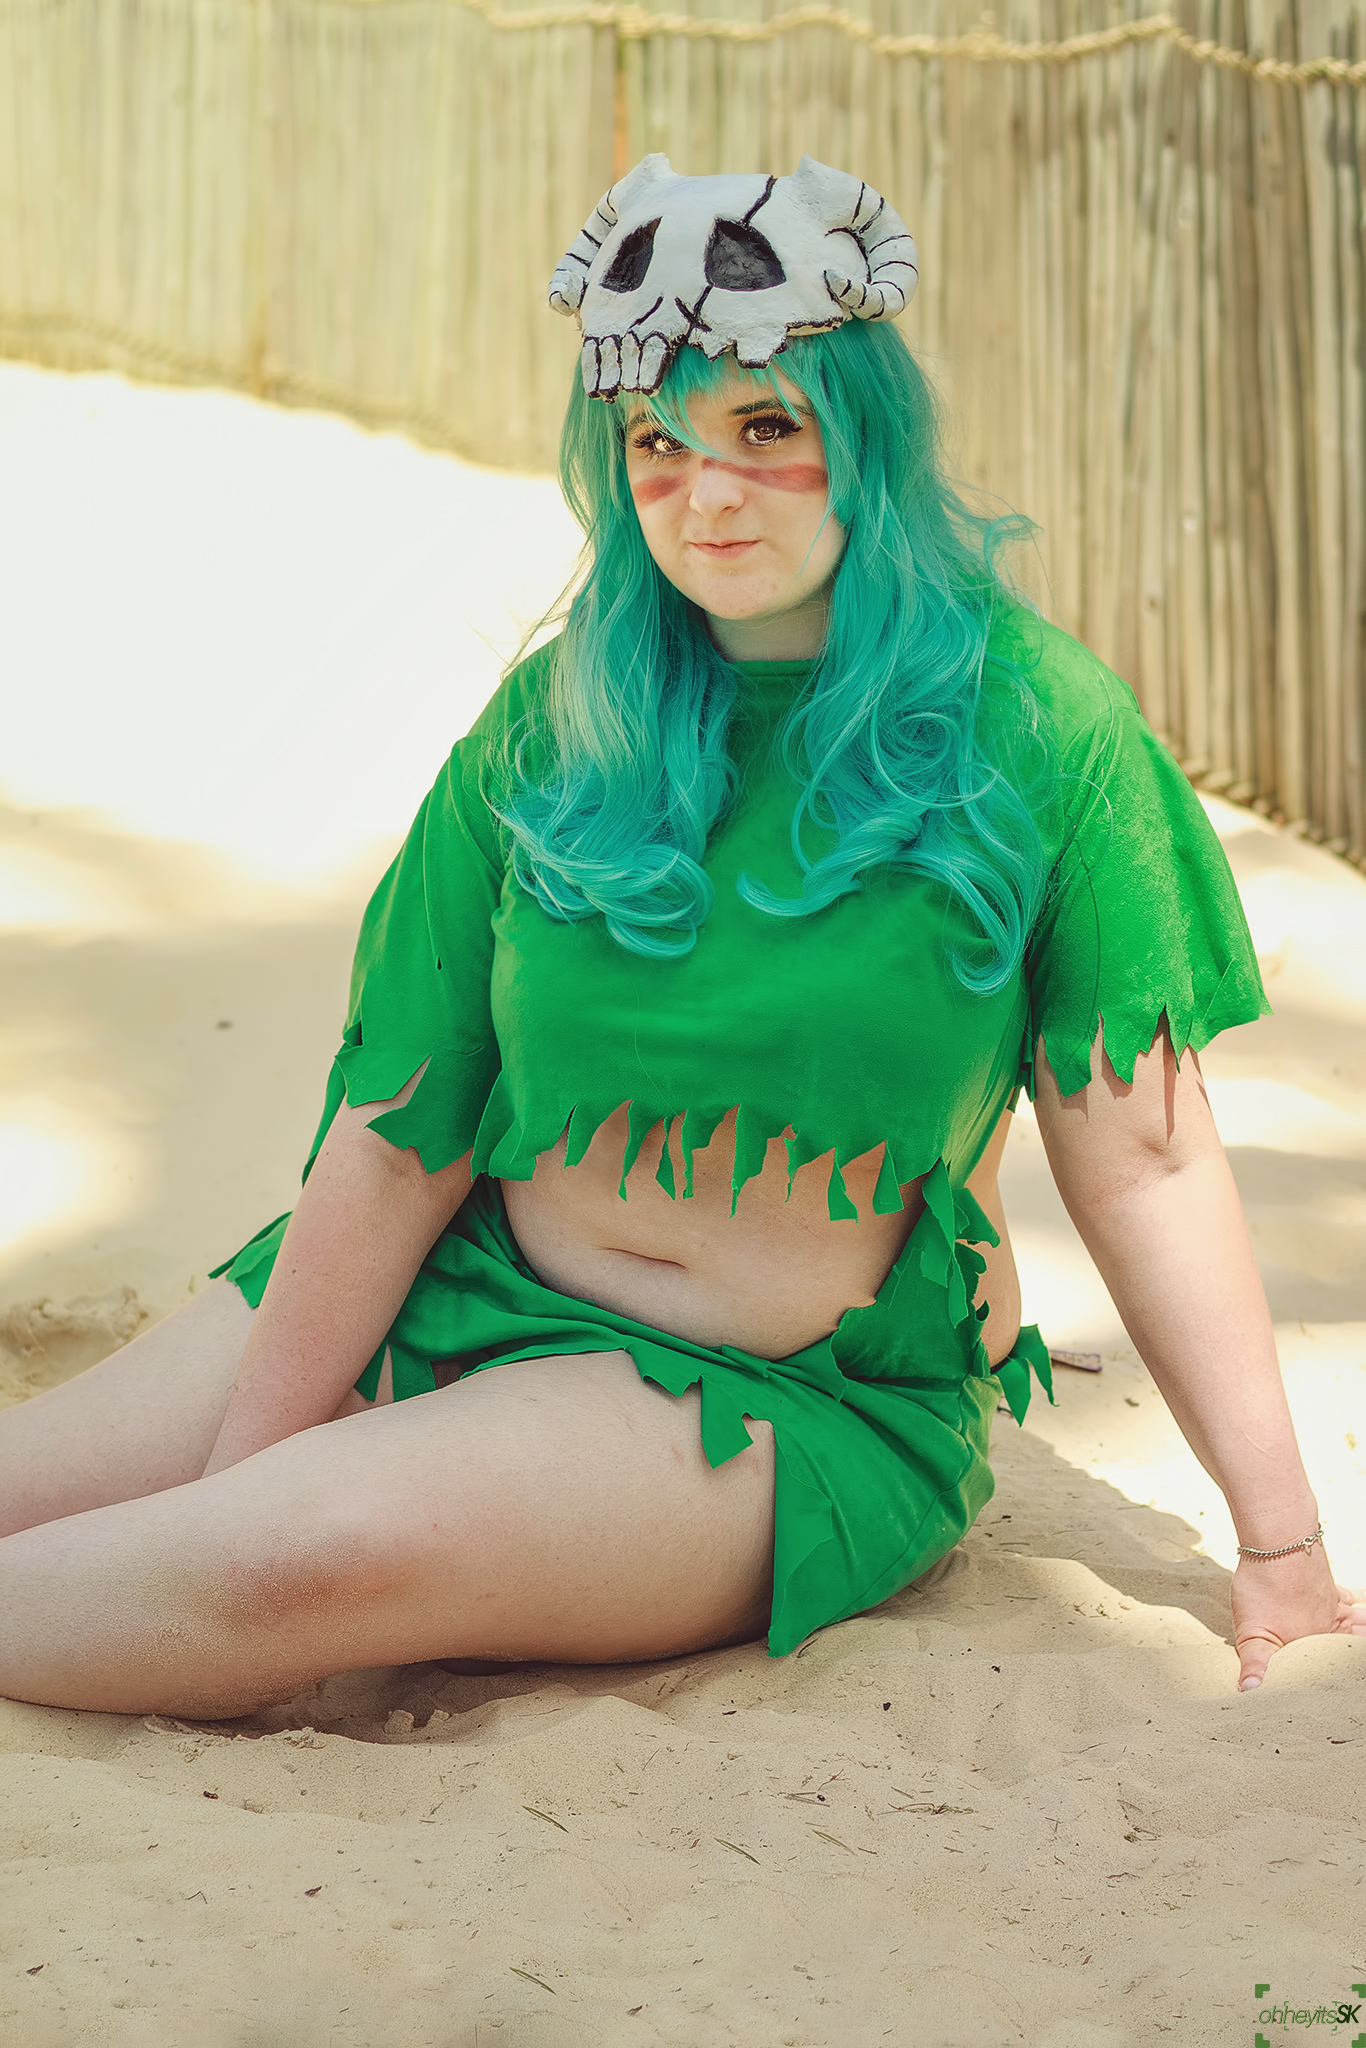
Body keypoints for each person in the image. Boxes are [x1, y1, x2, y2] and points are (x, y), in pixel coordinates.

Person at [1, 157, 1360, 1720]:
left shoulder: (1039, 727)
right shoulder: (557, 716)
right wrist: (243, 1463)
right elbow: (396, 1132)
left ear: (863, 431)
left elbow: (1149, 1161)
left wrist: (1280, 1548)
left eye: (765, 430)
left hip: (767, 1400)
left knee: (290, 1560)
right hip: (457, 1278)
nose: (706, 496)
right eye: (657, 441)